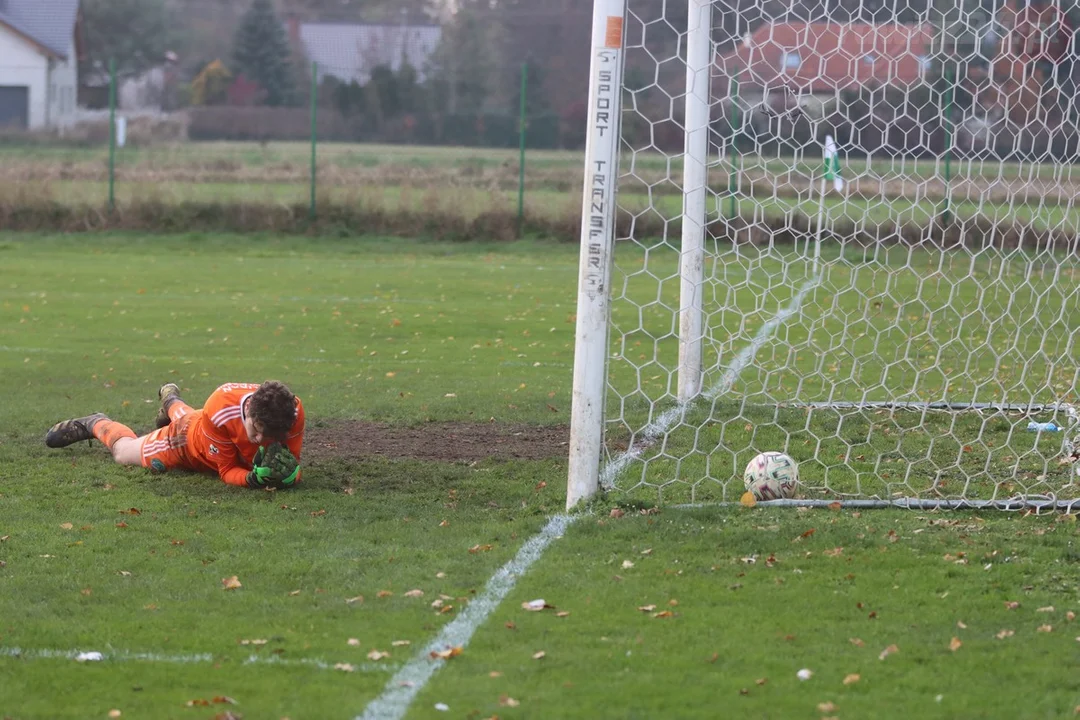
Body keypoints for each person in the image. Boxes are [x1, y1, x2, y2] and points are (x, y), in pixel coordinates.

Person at [44, 381, 305, 489]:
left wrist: (292, 475)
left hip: (205, 426)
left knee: (196, 418)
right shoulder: (221, 409)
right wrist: (251, 479)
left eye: (270, 436)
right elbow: (226, 471)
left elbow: (291, 461)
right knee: (124, 454)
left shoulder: (291, 411)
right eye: (257, 432)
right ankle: (96, 423)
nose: (262, 441)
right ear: (247, 410)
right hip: (184, 443)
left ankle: (170, 400)